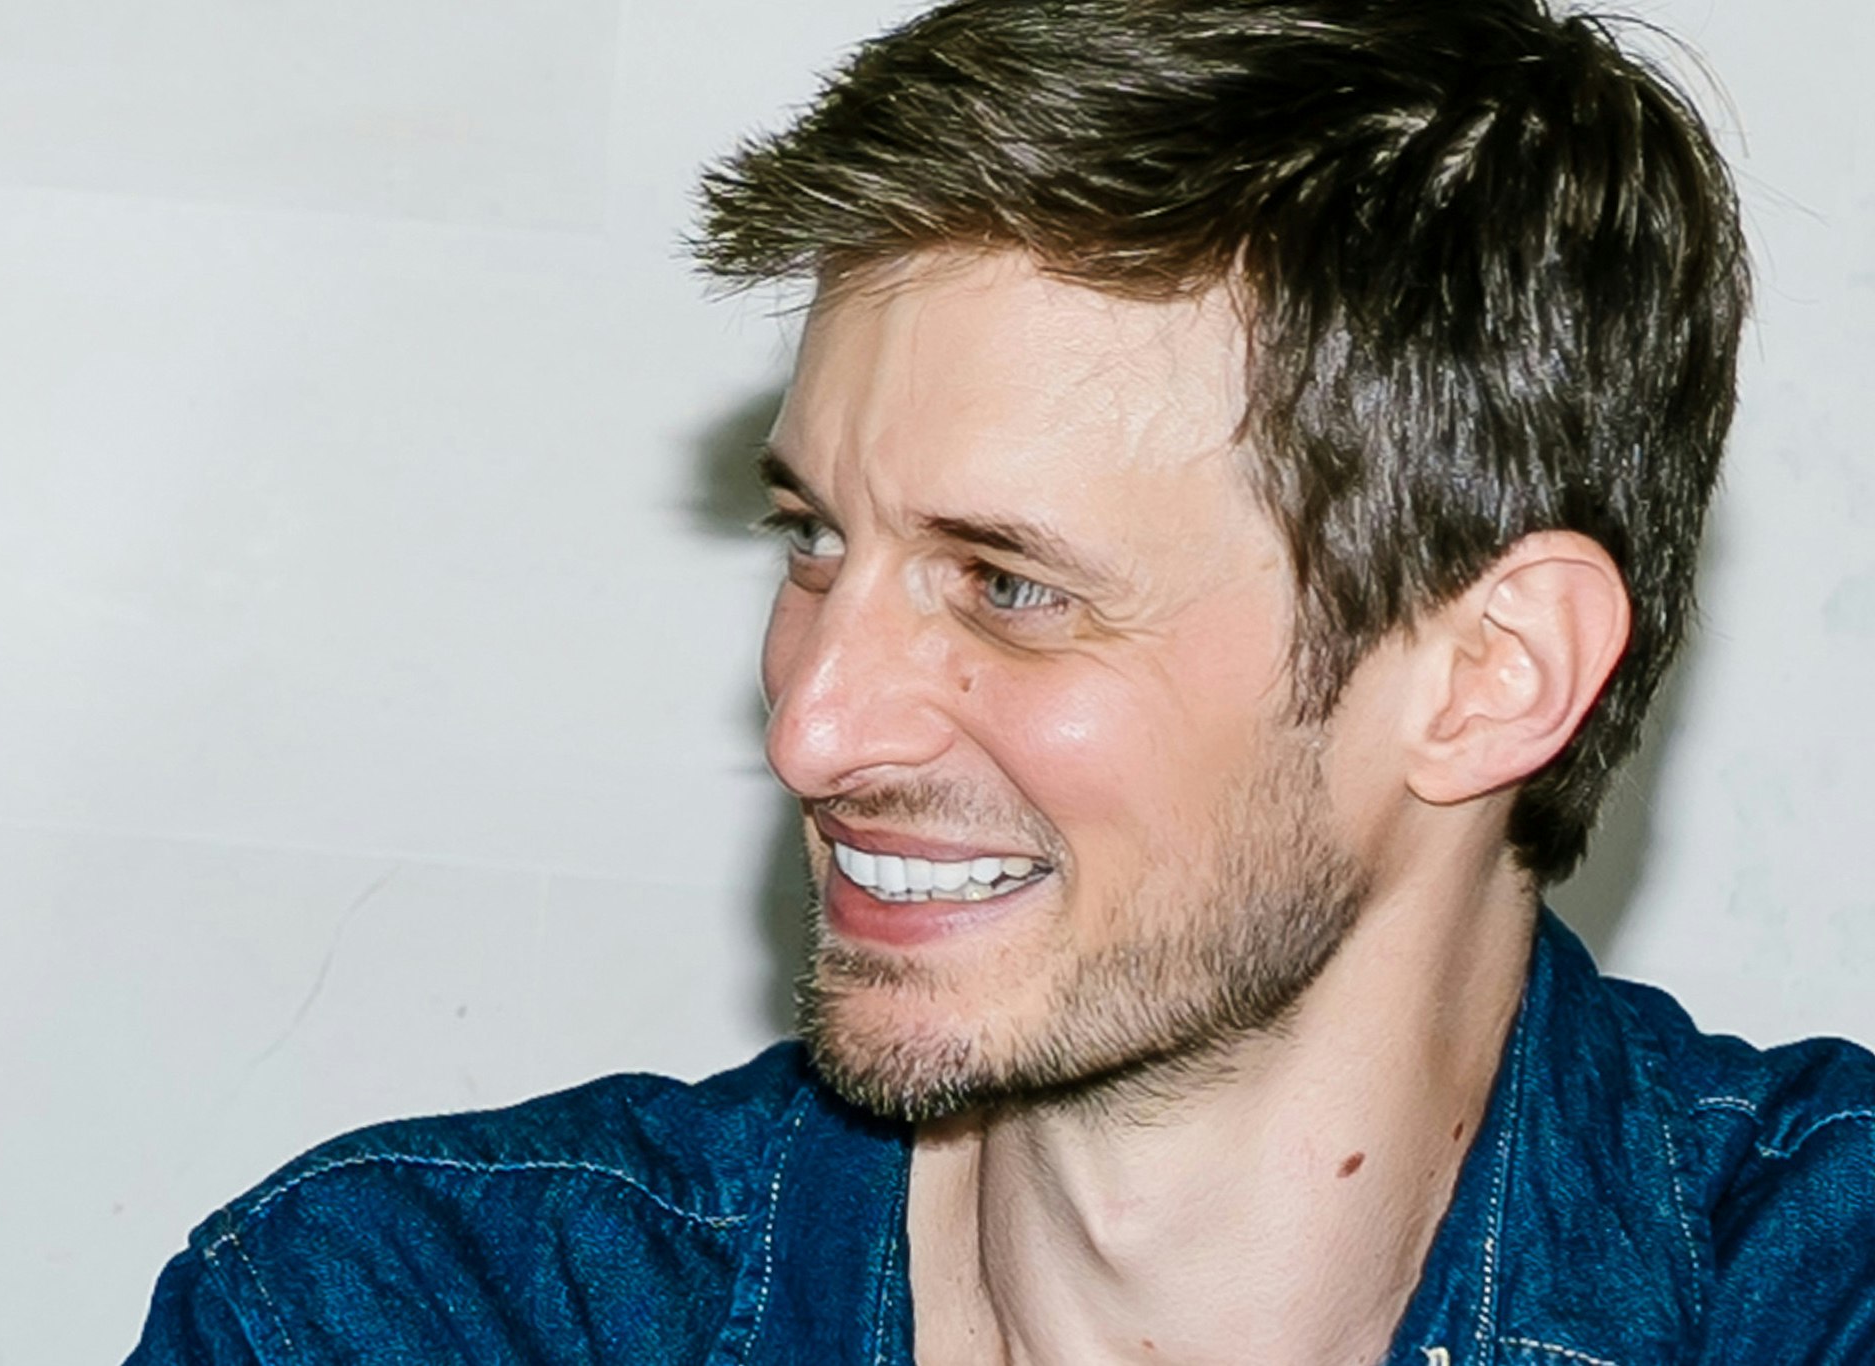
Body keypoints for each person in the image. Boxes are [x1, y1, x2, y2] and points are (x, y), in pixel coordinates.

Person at [125, 2, 1875, 1360]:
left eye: (1011, 586)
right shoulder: (401, 1317)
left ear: (1492, 675)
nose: (813, 726)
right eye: (817, 539)